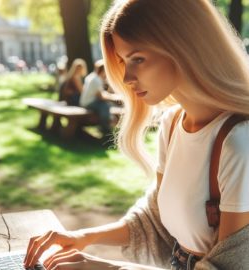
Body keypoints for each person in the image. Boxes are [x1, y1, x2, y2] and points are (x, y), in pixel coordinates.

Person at [24, 0, 249, 269]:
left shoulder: (239, 143)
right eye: (123, 61)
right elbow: (153, 220)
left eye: (138, 59)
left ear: (183, 48)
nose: (127, 78)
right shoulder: (172, 123)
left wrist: (106, 267)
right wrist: (83, 237)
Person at [80, 59, 118, 136]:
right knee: (105, 106)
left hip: (85, 101)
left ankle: (107, 126)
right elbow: (101, 96)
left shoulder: (92, 76)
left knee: (106, 105)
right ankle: (105, 129)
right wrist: (114, 98)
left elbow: (100, 93)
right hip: (88, 103)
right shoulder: (96, 80)